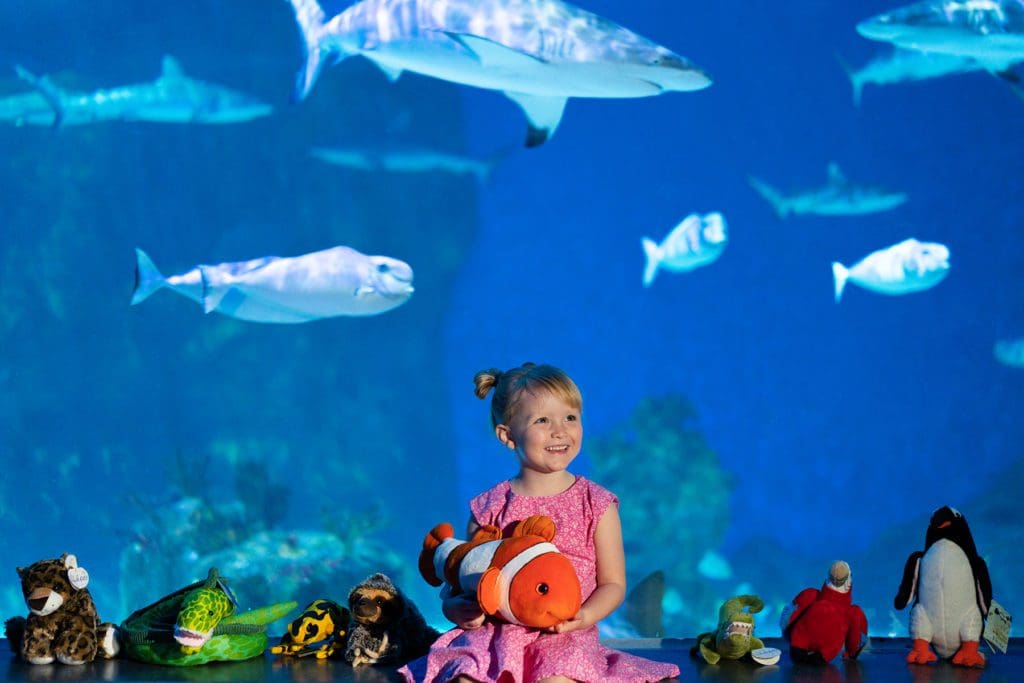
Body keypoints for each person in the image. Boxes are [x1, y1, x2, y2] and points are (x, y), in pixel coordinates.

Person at [400, 363, 680, 683]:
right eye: (542, 420)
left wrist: (583, 616)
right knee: (466, 676)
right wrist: (458, 610)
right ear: (507, 435)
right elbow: (460, 585)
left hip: (564, 635)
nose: (559, 430)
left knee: (556, 678)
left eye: (570, 417)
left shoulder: (597, 504)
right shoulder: (489, 507)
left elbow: (613, 584)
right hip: (497, 635)